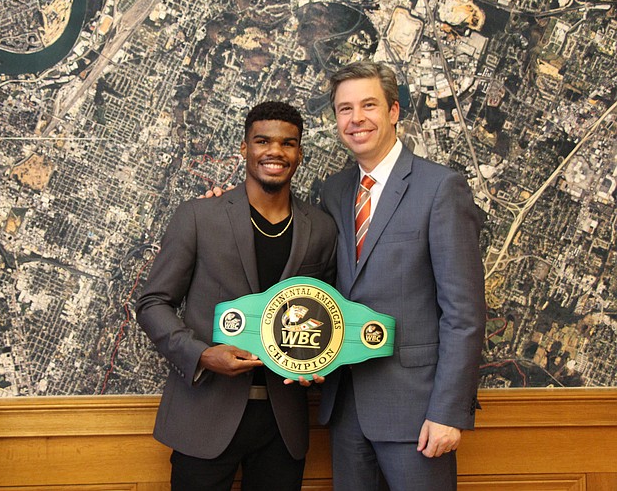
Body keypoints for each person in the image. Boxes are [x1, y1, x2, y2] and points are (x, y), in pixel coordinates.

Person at [135, 101, 338, 491]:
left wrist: (322, 359)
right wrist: (202, 355)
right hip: (204, 415)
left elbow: (327, 315)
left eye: (288, 143)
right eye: (263, 141)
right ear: (245, 149)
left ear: (299, 153)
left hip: (284, 425)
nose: (275, 151)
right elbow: (153, 303)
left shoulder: (323, 230)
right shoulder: (198, 217)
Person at [317, 60, 486, 490]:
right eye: (344, 109)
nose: (356, 119)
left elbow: (463, 313)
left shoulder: (441, 188)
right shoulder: (333, 193)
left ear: (393, 111)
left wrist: (448, 411)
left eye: (369, 105)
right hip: (345, 409)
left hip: (418, 414)